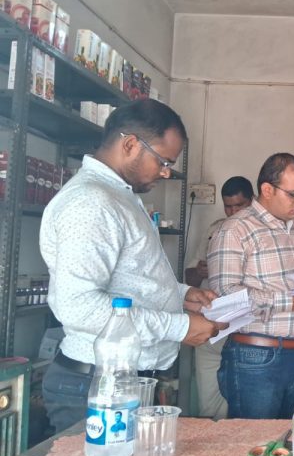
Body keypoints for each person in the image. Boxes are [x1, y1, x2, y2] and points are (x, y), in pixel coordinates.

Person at [40, 99, 224, 433]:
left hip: (119, 382)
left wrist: (181, 294)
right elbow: (79, 306)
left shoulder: (119, 196)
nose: (166, 172)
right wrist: (179, 327)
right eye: (163, 161)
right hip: (95, 387)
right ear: (130, 145)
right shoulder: (91, 203)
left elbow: (131, 276)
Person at [208, 153, 294, 419]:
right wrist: (289, 302)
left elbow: (293, 283)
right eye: (293, 194)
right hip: (256, 356)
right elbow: (225, 296)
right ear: (267, 190)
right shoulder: (235, 229)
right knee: (255, 439)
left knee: (293, 437)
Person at [185, 176, 254, 420]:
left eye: (239, 206)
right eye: (228, 206)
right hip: (211, 323)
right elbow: (189, 280)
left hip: (246, 326)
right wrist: (200, 271)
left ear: (253, 201)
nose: (233, 212)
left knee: (245, 403)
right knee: (209, 401)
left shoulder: (263, 234)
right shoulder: (215, 230)